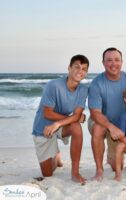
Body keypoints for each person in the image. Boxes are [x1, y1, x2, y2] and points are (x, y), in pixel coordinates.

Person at [32, 55, 89, 184]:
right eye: (77, 67)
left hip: (60, 125)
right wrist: (74, 118)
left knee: (76, 127)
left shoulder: (83, 90)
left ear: (86, 73)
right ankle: (56, 157)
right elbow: (47, 113)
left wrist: (59, 123)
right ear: (69, 68)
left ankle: (75, 173)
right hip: (43, 128)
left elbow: (76, 117)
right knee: (48, 174)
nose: (80, 71)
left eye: (84, 69)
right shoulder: (54, 85)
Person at [88, 47, 126, 181]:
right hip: (102, 120)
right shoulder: (97, 83)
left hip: (122, 122)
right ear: (103, 63)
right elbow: (95, 113)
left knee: (117, 167)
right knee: (99, 127)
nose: (113, 63)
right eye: (109, 60)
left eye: (116, 60)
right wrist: (110, 126)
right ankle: (99, 170)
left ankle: (112, 157)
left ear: (122, 62)